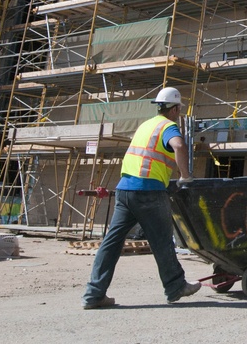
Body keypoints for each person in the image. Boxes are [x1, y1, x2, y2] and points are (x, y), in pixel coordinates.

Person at [82, 86, 202, 309]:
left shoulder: (146, 125)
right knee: (163, 240)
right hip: (149, 191)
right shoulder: (168, 126)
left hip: (125, 190)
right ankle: (176, 286)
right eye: (179, 109)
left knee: (111, 243)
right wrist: (185, 176)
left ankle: (93, 294)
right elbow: (179, 145)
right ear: (175, 109)